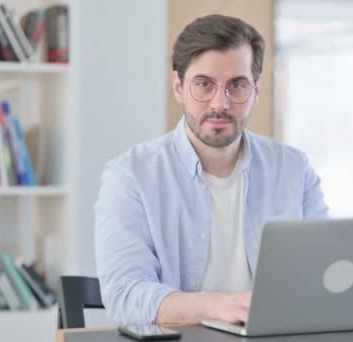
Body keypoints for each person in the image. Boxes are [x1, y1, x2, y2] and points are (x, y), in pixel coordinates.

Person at [94, 14, 329, 326]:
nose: (220, 103)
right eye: (204, 85)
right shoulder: (129, 176)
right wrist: (221, 306)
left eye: (237, 85)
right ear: (178, 87)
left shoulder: (295, 170)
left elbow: (326, 273)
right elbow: (125, 297)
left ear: (255, 92)